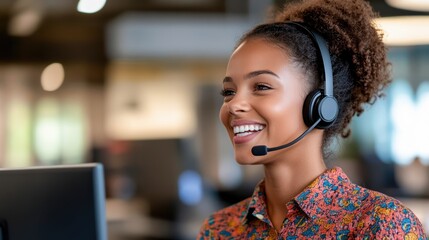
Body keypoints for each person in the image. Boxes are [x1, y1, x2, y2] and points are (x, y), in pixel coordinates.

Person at [197, 0, 427, 239]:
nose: (233, 105)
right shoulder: (218, 229)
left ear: (319, 105)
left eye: (261, 86)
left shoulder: (381, 224)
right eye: (229, 92)